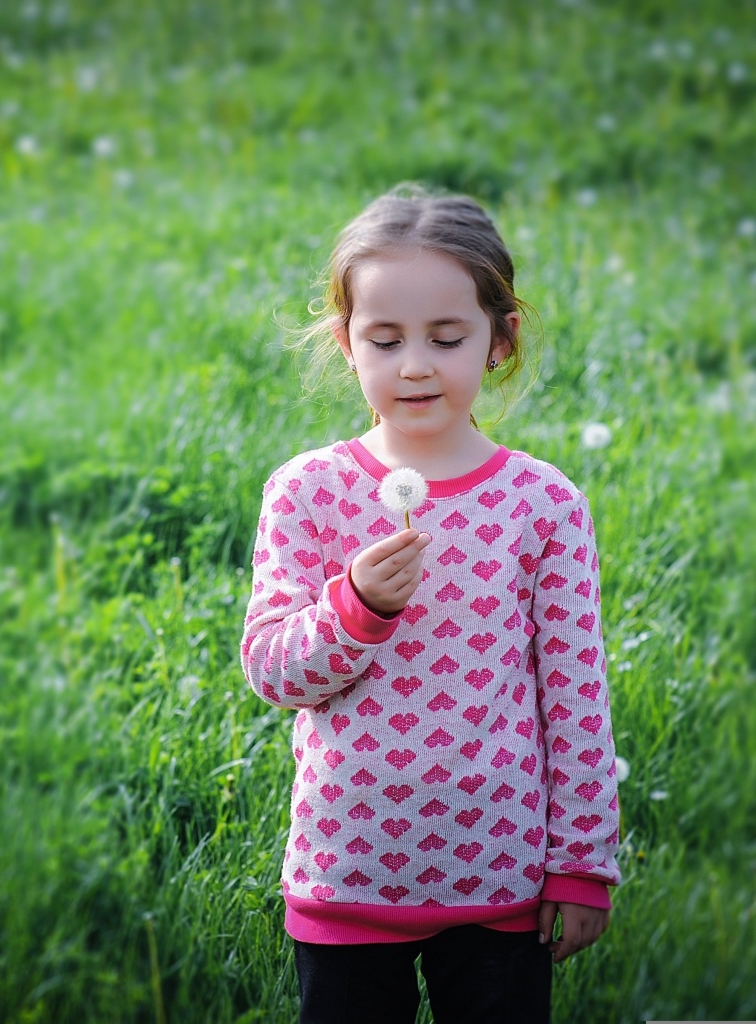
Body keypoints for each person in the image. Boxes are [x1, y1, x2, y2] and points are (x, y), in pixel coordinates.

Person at [240, 183, 620, 1024]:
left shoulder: (543, 505)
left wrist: (583, 865)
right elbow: (273, 671)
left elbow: (577, 695)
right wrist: (357, 609)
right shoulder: (310, 491)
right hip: (348, 872)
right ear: (346, 344)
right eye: (385, 339)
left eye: (446, 338)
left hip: (502, 880)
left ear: (499, 339)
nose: (415, 364)